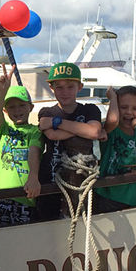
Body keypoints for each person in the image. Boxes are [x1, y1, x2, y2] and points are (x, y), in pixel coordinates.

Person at [35, 62, 102, 221]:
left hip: (82, 181)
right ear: (52, 88)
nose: (65, 92)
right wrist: (83, 130)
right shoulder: (46, 112)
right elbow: (53, 135)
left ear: (80, 87)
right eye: (59, 87)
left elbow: (94, 132)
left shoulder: (90, 109)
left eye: (70, 87)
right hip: (51, 181)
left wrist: (56, 122)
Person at [0, 65, 43, 226]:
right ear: (6, 111)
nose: (17, 110)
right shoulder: (4, 129)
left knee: (23, 237)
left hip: (25, 198)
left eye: (21, 105)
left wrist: (33, 176)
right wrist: (2, 91)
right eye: (11, 107)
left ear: (30, 107)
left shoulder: (35, 131)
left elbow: (34, 151)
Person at [94, 86, 136, 213]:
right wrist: (113, 98)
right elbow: (113, 120)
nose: (129, 112)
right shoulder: (111, 131)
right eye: (123, 107)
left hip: (132, 198)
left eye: (135, 109)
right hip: (106, 196)